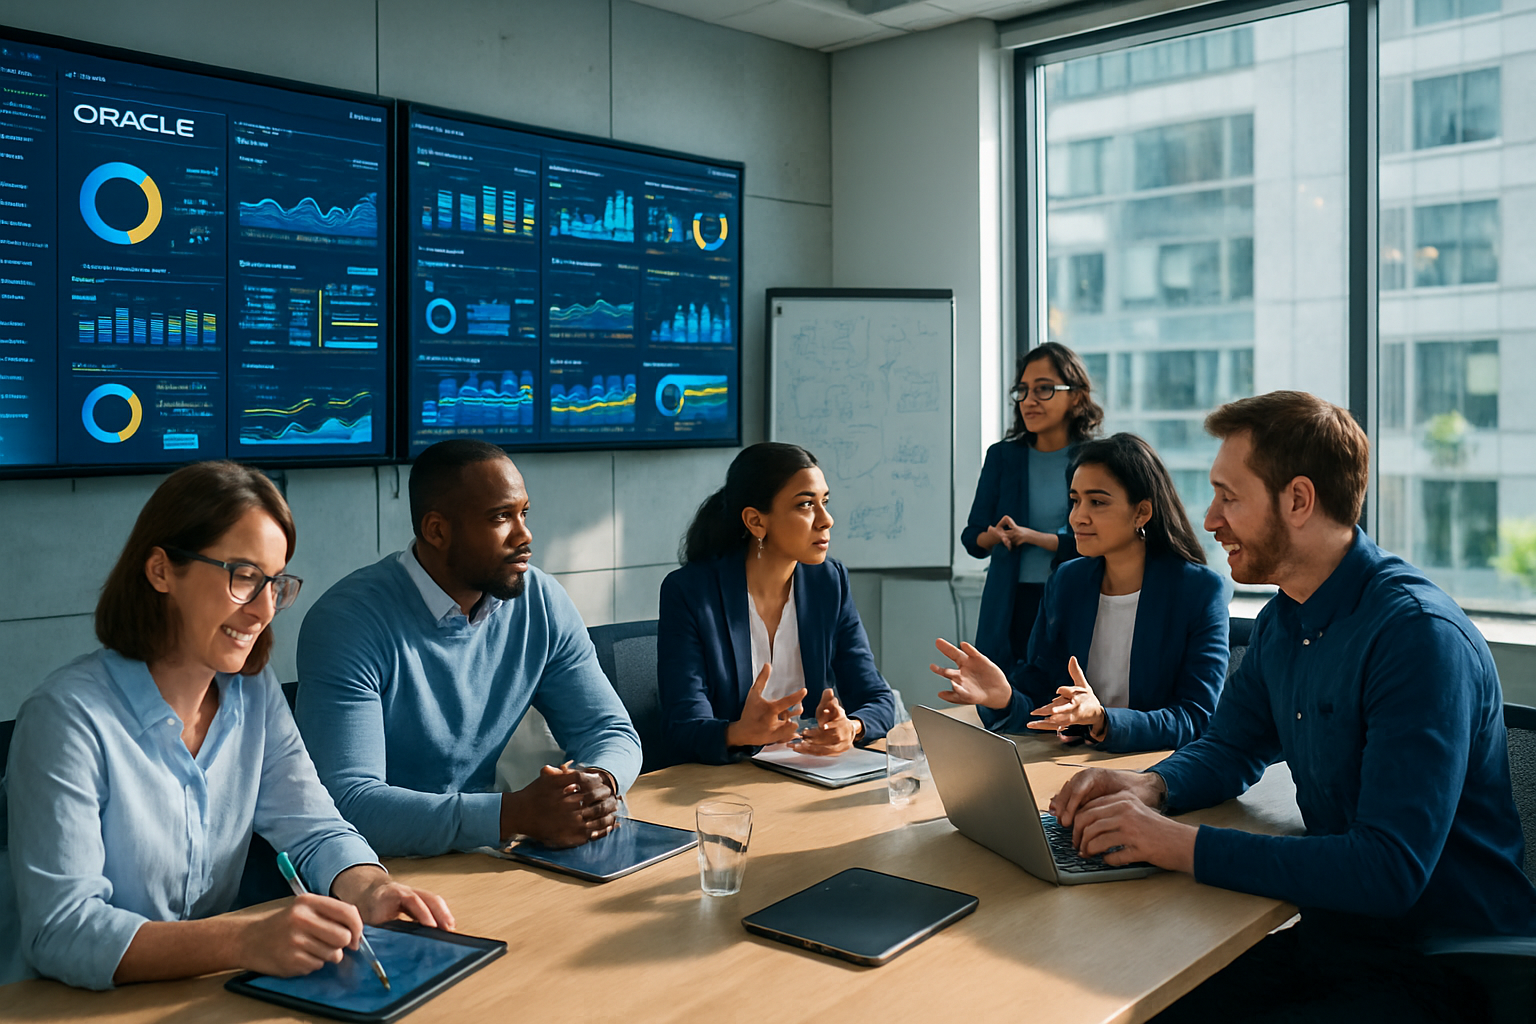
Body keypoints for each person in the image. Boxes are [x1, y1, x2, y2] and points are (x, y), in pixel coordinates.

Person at [1048, 392, 1536, 1022]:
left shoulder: (1417, 638)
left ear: (1298, 501)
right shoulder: (1285, 617)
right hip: (1343, 941)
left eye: (1229, 496)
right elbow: (1233, 744)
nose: (1211, 517)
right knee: (1136, 999)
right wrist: (1150, 787)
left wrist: (1173, 843)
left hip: (1443, 963)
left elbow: (1387, 869)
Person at [0, 461, 452, 990]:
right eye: (243, 577)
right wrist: (243, 940)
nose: (264, 608)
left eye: (276, 583)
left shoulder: (251, 691)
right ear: (161, 570)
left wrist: (369, 887)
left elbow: (312, 826)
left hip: (194, 994)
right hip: (59, 1006)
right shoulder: (65, 719)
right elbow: (62, 930)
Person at [294, 440, 642, 858]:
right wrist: (511, 814)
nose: (525, 534)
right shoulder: (347, 622)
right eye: (501, 517)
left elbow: (609, 731)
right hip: (380, 868)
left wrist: (599, 784)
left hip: (485, 854)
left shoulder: (540, 601)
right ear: (437, 530)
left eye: (523, 513)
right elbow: (349, 803)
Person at [933, 433, 1227, 752]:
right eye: (1075, 500)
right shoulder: (1067, 581)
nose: (1078, 516)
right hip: (1076, 761)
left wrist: (1103, 720)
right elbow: (1042, 692)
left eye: (1097, 502)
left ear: (1141, 513)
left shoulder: (1199, 590)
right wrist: (1004, 697)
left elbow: (1195, 719)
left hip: (1157, 769)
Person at [657, 442, 897, 765]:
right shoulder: (690, 593)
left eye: (824, 502)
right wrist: (740, 732)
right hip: (725, 783)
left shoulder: (828, 583)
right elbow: (682, 728)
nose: (826, 520)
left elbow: (878, 699)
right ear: (756, 521)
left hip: (807, 773)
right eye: (805, 505)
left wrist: (850, 727)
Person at [962, 342, 1103, 678]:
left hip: (1072, 593)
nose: (1029, 400)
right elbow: (972, 538)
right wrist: (992, 536)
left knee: (1065, 691)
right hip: (1010, 598)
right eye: (1022, 391)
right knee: (1005, 693)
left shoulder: (1095, 458)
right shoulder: (1002, 456)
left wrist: (1034, 537)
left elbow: (1098, 539)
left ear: (1077, 396)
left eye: (1044, 389)